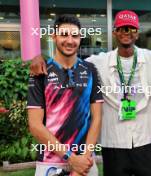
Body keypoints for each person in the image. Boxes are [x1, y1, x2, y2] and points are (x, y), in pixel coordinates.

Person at [29, 10, 151, 176]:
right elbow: (66, 59)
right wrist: (39, 57)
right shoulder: (96, 63)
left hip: (147, 143)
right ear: (115, 32)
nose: (127, 32)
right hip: (113, 144)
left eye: (131, 28)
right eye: (122, 28)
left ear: (137, 32)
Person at [27, 15, 103, 176]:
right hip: (49, 164)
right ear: (54, 37)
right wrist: (70, 158)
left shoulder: (91, 70)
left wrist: (83, 159)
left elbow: (97, 118)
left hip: (85, 163)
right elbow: (35, 125)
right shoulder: (40, 72)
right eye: (64, 34)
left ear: (80, 38)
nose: (70, 40)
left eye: (75, 35)